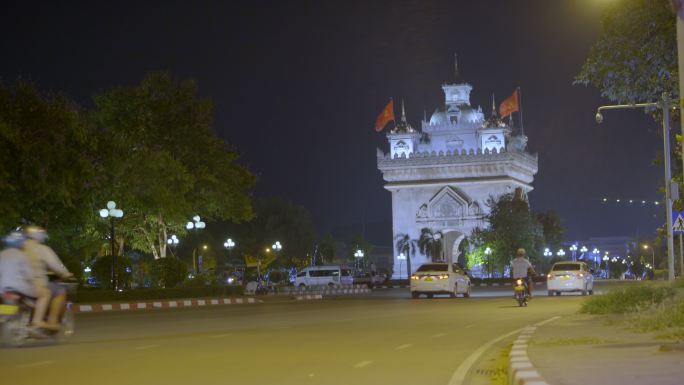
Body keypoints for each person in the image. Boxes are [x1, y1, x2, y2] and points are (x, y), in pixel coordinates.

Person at [22, 226, 72, 330]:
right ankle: (51, 321)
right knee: (60, 291)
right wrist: (65, 274)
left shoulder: (19, 249)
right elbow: (56, 266)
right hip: (37, 284)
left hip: (19, 284)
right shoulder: (42, 249)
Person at [0, 232, 35, 299]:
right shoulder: (22, 255)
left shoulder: (1, 254)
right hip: (19, 287)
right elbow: (29, 274)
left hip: (2, 288)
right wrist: (33, 280)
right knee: (41, 294)